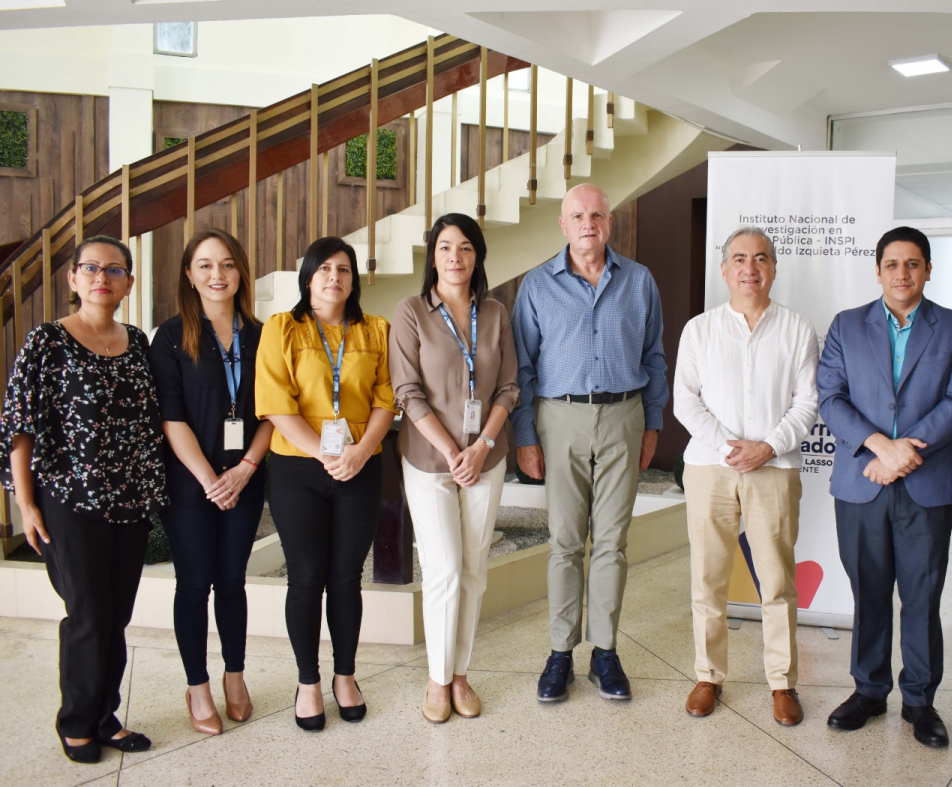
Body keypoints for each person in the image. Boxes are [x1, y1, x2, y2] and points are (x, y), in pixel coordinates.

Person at [0, 235, 167, 763]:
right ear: (73, 278)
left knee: (116, 615)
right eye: (91, 268)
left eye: (114, 270)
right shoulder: (47, 340)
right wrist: (26, 505)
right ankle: (76, 722)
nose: (101, 277)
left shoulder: (137, 342)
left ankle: (104, 717)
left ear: (129, 283)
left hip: (130, 501)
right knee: (88, 614)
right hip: (69, 500)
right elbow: (20, 426)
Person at [817, 226, 952, 748]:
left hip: (926, 482)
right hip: (862, 480)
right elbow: (831, 396)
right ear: (878, 270)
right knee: (868, 591)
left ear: (928, 269)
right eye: (892, 264)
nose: (902, 273)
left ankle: (920, 700)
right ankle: (868, 690)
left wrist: (904, 453)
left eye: (912, 263)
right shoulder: (846, 325)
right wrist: (879, 447)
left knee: (922, 594)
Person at [511, 183, 668, 703]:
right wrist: (526, 437)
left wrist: (651, 425)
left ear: (609, 223)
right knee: (564, 541)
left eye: (597, 215)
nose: (588, 224)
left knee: (612, 540)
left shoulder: (639, 281)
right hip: (560, 419)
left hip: (625, 415)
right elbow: (523, 369)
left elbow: (654, 357)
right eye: (578, 215)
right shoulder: (537, 285)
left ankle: (605, 652)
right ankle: (561, 652)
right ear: (563, 225)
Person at [673, 226, 819, 726]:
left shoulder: (797, 329)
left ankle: (782, 682)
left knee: (776, 581)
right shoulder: (700, 329)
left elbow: (808, 403)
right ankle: (708, 676)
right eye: (739, 258)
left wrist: (768, 447)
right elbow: (685, 401)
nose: (749, 268)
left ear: (774, 268)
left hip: (774, 469)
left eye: (760, 258)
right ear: (724, 269)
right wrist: (729, 447)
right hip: (709, 468)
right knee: (708, 578)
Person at [255, 236, 397, 731]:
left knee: (345, 577)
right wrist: (324, 453)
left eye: (343, 269)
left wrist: (358, 451)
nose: (334, 278)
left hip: (360, 466)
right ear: (308, 278)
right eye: (324, 269)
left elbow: (385, 400)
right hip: (298, 468)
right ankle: (308, 681)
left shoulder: (376, 329)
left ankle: (345, 676)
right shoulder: (282, 328)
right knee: (305, 577)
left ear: (353, 280)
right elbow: (275, 404)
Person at [390, 214, 519, 723]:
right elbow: (407, 392)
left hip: (486, 456)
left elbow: (508, 387)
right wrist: (451, 451)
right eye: (445, 247)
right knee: (443, 569)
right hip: (430, 460)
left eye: (465, 247)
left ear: (477, 255)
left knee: (473, 570)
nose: (455, 257)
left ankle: (460, 673)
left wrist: (482, 445)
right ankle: (437, 678)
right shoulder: (411, 312)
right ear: (433, 256)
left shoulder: (496, 313)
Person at [148, 229, 273, 736]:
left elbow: (273, 412)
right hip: (188, 482)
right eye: (204, 265)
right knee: (195, 582)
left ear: (241, 271)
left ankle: (234, 676)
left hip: (245, 477)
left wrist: (244, 470)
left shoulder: (262, 335)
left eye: (227, 264)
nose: (217, 275)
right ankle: (197, 686)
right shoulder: (170, 336)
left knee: (233, 580)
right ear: (189, 274)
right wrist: (208, 479)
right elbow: (171, 416)